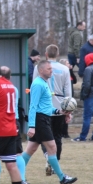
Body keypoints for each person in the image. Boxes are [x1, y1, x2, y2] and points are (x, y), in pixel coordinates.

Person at [22, 60, 77, 184]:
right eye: (48, 69)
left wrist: (59, 111)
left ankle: (20, 178)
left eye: (51, 68)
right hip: (40, 121)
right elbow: (33, 106)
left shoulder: (44, 83)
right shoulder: (37, 84)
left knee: (30, 150)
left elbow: (46, 107)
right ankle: (62, 178)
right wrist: (31, 126)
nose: (51, 71)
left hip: (43, 118)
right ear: (41, 71)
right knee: (52, 147)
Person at [0, 66, 30, 184]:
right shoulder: (13, 88)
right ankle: (22, 179)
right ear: (10, 77)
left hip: (0, 123)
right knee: (17, 153)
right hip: (14, 122)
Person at [33, 45, 72, 175]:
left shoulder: (38, 68)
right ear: (58, 54)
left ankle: (48, 157)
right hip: (60, 107)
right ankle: (55, 163)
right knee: (57, 137)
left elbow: (34, 86)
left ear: (46, 54)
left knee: (44, 137)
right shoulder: (65, 69)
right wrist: (68, 111)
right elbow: (68, 91)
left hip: (44, 108)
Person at [72, 53, 93, 141]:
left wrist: (84, 95)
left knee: (87, 117)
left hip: (91, 96)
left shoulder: (88, 69)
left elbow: (87, 84)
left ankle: (82, 137)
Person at [59, 58, 77, 138]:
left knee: (67, 115)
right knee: (63, 115)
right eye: (67, 63)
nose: (69, 64)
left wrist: (71, 70)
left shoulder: (68, 73)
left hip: (70, 97)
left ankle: (65, 133)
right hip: (64, 97)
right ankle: (62, 132)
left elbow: (75, 80)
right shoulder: (62, 74)